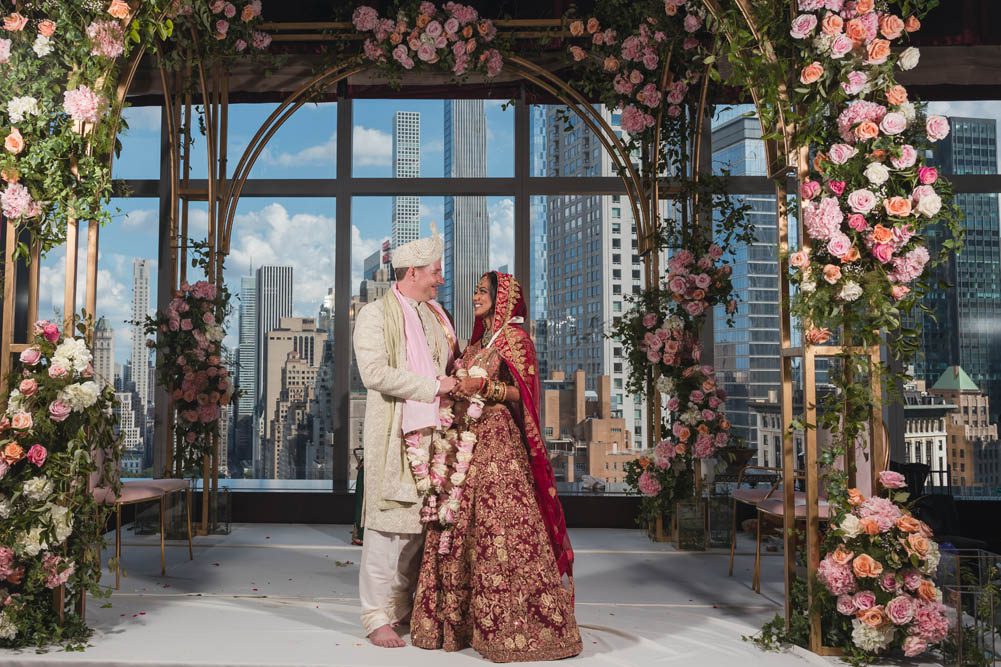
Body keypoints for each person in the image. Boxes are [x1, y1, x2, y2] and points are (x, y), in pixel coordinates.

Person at [411, 271, 582, 662]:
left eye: (482, 292)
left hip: (499, 445)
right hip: (465, 444)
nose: (475, 297)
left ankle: (516, 625)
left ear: (502, 298)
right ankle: (460, 622)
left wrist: (484, 389)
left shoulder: (515, 339)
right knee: (458, 524)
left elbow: (523, 395)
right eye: (474, 291)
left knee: (500, 526)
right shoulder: (476, 342)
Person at [352, 228, 459, 648]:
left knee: (419, 529)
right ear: (412, 272)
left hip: (438, 434)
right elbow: (374, 374)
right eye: (435, 271)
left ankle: (401, 609)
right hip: (396, 433)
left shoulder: (437, 315)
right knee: (388, 527)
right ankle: (374, 615)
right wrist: (435, 386)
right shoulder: (375, 315)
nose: (441, 279)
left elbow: (452, 362)